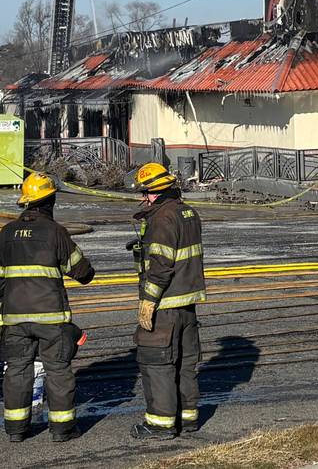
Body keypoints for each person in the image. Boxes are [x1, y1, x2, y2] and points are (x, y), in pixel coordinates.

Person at [0, 173, 94, 443]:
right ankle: (62, 430)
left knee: (17, 370)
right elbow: (83, 272)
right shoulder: (55, 232)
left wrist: (2, 311)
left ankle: (15, 430)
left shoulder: (7, 233)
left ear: (26, 203)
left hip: (14, 320)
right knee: (57, 371)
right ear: (51, 200)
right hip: (51, 319)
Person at [128, 163, 207, 440]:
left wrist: (148, 302)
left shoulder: (162, 218)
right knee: (185, 363)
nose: (144, 198)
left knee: (157, 364)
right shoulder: (188, 213)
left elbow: (160, 265)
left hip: (166, 305)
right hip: (188, 305)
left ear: (157, 192)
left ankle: (160, 424)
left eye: (146, 193)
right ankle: (187, 419)